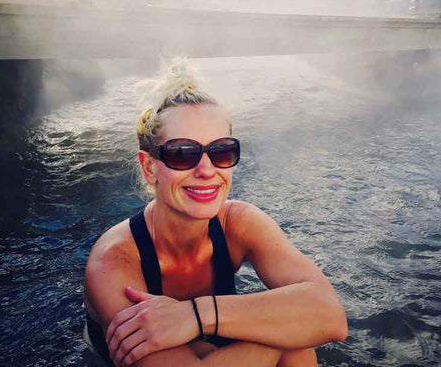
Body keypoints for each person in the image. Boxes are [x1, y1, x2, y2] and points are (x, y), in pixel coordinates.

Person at [84, 59, 347, 366]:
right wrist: (280, 339)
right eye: (183, 154)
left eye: (221, 151)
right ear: (149, 167)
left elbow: (331, 317)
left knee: (294, 340)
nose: (207, 170)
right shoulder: (114, 262)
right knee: (295, 343)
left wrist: (195, 315)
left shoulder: (238, 223)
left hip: (210, 338)